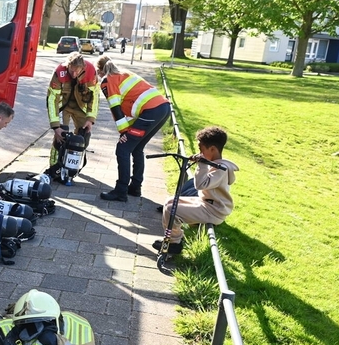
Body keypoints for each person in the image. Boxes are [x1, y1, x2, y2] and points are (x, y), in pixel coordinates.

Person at [153, 126, 238, 254]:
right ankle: (173, 238)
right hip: (206, 203)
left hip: (214, 210)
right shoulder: (215, 163)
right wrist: (201, 161)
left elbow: (200, 184)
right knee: (170, 201)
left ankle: (174, 242)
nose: (200, 152)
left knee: (172, 209)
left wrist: (202, 164)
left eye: (201, 149)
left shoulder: (220, 169)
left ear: (212, 149)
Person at [97, 56, 171, 202]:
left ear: (100, 70)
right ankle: (135, 187)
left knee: (123, 148)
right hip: (163, 108)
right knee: (137, 148)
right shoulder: (124, 73)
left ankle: (121, 190)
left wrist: (124, 132)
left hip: (151, 111)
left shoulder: (108, 80)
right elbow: (132, 106)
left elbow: (115, 106)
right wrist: (127, 130)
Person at [46, 52, 100, 179]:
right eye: (72, 70)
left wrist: (90, 119)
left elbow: (95, 97)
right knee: (61, 136)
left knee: (83, 136)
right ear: (68, 65)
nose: (74, 74)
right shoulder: (59, 72)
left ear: (83, 68)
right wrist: (55, 126)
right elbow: (52, 98)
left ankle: (74, 166)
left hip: (82, 108)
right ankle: (54, 167)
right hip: (64, 106)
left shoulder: (90, 71)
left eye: (77, 71)